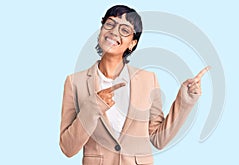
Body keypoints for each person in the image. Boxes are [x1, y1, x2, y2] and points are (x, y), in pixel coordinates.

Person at [59, 5, 210, 165]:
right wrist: (93, 107)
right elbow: (68, 148)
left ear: (132, 43)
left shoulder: (148, 80)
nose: (114, 31)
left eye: (124, 30)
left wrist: (184, 102)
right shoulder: (74, 82)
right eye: (110, 24)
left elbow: (158, 139)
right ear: (101, 31)